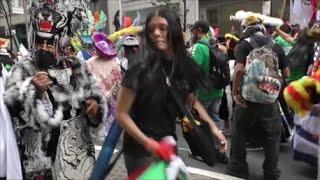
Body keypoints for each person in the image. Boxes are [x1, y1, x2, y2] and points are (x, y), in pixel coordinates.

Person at [116, 8, 227, 175]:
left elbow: (192, 101)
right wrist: (148, 143)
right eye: (151, 29)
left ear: (174, 30)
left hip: (168, 145)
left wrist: (213, 128)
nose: (156, 33)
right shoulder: (138, 67)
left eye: (162, 28)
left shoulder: (185, 65)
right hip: (140, 151)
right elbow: (121, 113)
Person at [4, 5, 107, 179]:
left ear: (61, 41)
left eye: (49, 43)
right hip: (42, 165)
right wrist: (32, 91)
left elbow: (96, 98)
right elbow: (10, 107)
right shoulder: (23, 68)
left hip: (78, 163)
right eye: (39, 41)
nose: (43, 47)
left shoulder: (77, 67)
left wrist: (95, 109)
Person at [226, 15, 290, 180]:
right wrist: (271, 88)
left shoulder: (244, 44)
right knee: (272, 137)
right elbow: (286, 73)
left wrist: (235, 93)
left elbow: (239, 70)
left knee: (239, 131)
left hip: (247, 99)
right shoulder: (276, 45)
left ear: (246, 29)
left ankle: (238, 168)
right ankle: (271, 172)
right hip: (270, 101)